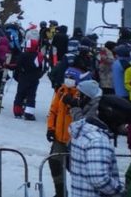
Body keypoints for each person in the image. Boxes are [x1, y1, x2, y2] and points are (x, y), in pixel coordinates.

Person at [68, 96, 131, 197]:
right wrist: (121, 191)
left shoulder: (83, 131)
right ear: (114, 119)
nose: (124, 128)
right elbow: (100, 180)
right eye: (124, 123)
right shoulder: (98, 140)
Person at [46, 67, 85, 197]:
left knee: (76, 168)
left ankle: (82, 191)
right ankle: (60, 192)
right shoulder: (61, 91)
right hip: (59, 137)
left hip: (75, 139)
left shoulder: (82, 94)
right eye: (67, 77)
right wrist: (50, 128)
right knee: (54, 162)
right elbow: (53, 111)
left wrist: (74, 103)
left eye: (71, 78)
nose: (68, 80)